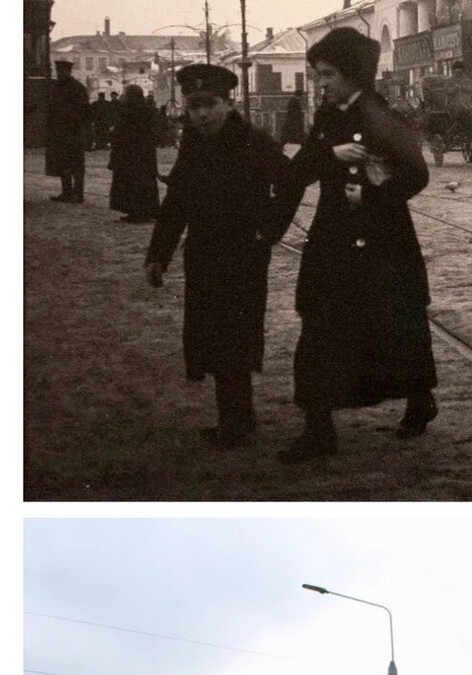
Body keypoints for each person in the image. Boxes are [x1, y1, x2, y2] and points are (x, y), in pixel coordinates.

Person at [270, 26, 438, 462]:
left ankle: (420, 400)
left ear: (352, 75)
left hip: (383, 242)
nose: (321, 83)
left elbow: (417, 174)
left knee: (398, 324)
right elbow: (300, 171)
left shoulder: (383, 115)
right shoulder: (327, 118)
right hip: (332, 241)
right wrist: (331, 157)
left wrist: (372, 193)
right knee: (320, 328)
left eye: (327, 74)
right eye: (318, 74)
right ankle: (318, 429)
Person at [144, 63, 289, 448]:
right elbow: (176, 202)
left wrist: (269, 230)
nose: (201, 114)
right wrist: (158, 253)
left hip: (244, 256)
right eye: (194, 106)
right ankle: (235, 417)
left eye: (209, 104)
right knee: (212, 336)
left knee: (234, 338)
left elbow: (289, 184)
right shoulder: (193, 145)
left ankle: (237, 421)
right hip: (204, 255)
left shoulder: (254, 142)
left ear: (228, 103)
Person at [107, 85, 161, 223]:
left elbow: (122, 130)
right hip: (145, 153)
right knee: (145, 182)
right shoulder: (149, 110)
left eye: (126, 93)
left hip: (129, 154)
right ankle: (148, 211)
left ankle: (135, 212)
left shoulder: (127, 110)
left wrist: (114, 132)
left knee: (130, 183)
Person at [45, 59, 91, 201]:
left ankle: (78, 194)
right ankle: (67, 192)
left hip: (74, 132)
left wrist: (72, 121)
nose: (58, 74)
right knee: (63, 163)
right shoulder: (56, 87)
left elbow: (85, 112)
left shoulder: (77, 88)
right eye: (57, 71)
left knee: (76, 164)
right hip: (60, 132)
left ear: (68, 72)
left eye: (61, 71)